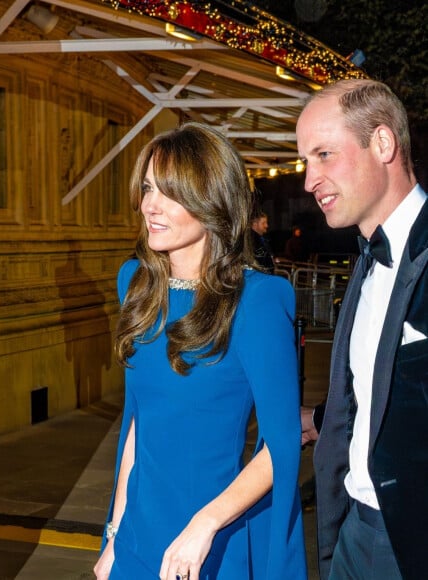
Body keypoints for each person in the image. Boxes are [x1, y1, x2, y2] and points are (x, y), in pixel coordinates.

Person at [94, 122, 307, 580]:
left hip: (210, 541)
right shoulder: (135, 283)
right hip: (136, 537)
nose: (149, 205)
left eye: (169, 193)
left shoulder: (258, 300)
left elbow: (282, 444)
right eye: (148, 188)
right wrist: (113, 534)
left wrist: (204, 525)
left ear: (211, 201)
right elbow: (137, 423)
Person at [296, 79, 428, 579]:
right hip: (351, 527)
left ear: (383, 144)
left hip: (410, 539)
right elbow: (395, 385)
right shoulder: (367, 258)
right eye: (306, 160)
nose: (309, 180)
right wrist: (325, 416)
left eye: (324, 154)